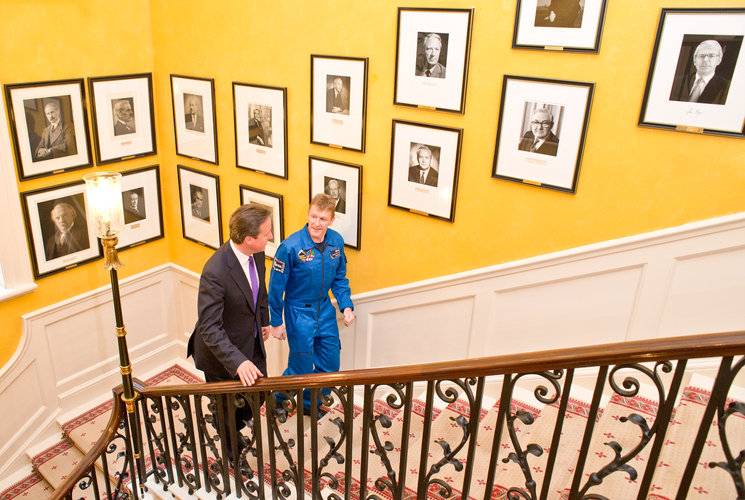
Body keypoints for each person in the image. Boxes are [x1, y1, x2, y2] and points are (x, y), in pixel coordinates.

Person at [187, 204, 273, 457]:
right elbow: (209, 328)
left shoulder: (257, 254)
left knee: (257, 397)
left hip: (250, 341)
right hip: (220, 355)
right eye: (266, 233)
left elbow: (260, 290)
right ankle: (232, 455)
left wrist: (264, 319)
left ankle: (234, 424)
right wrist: (237, 362)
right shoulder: (215, 271)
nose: (270, 237)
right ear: (249, 239)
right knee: (226, 409)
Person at [268, 194, 355, 414]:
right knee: (301, 368)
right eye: (313, 216)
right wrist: (276, 322)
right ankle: (278, 399)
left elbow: (339, 277)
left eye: (323, 219)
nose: (316, 223)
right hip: (298, 313)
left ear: (331, 221)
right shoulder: (290, 247)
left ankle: (310, 405)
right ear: (307, 214)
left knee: (330, 365)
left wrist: (346, 306)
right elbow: (276, 289)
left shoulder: (336, 241)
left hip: (325, 310)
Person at [670, 40, 731, 105]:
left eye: (711, 56)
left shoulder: (726, 86)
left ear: (718, 60)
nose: (705, 60)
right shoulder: (677, 82)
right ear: (695, 60)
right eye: (702, 56)